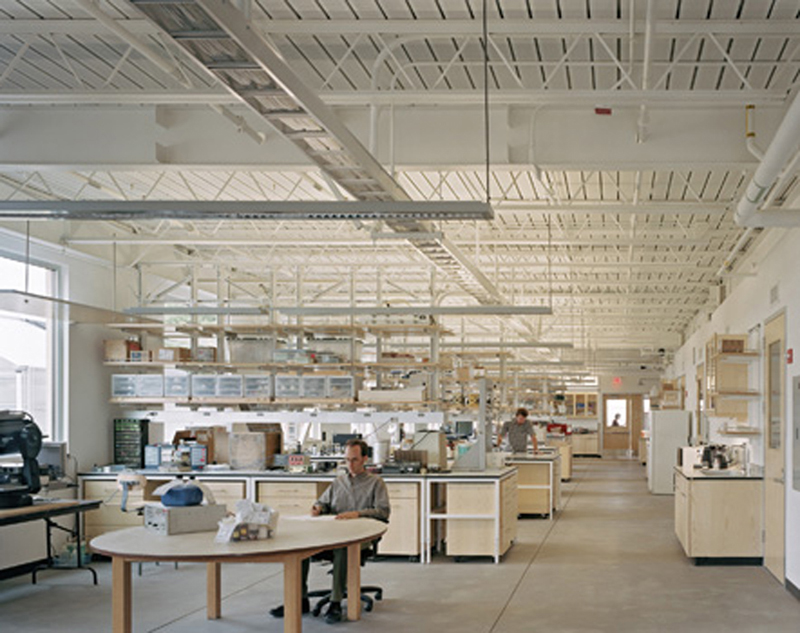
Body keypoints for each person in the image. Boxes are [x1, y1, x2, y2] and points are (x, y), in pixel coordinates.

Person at [270, 438, 390, 624]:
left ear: (365, 459)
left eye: (355, 460)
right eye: (347, 460)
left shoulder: (376, 483)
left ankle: (335, 602)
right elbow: (323, 503)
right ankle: (299, 600)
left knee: (342, 547)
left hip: (360, 536)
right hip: (332, 532)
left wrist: (357, 514)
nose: (350, 464)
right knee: (300, 547)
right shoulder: (338, 482)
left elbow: (383, 511)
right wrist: (317, 508)